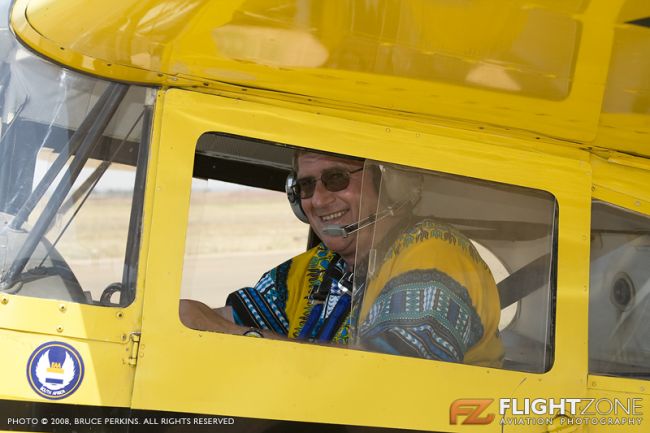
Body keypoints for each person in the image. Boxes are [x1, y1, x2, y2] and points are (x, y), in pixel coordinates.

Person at [181, 151, 503, 366]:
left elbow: (383, 386)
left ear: (388, 181)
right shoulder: (318, 267)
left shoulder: (435, 256)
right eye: (306, 186)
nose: (318, 200)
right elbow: (193, 317)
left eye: (336, 178)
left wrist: (244, 339)